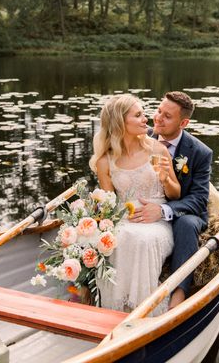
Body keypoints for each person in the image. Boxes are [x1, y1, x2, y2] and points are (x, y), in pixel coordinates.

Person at [89, 94, 180, 315]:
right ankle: (117, 307)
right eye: (138, 115)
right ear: (121, 122)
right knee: (115, 238)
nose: (145, 119)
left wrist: (166, 179)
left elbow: (176, 194)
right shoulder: (105, 162)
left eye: (143, 114)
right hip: (126, 219)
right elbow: (109, 205)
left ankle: (144, 309)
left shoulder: (157, 149)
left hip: (157, 222)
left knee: (142, 240)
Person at [132, 91, 212, 309]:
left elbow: (198, 200)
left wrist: (164, 210)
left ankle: (178, 295)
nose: (158, 118)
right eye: (158, 111)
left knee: (186, 224)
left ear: (183, 122)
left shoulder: (200, 153)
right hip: (142, 205)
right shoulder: (139, 138)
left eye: (167, 116)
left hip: (183, 213)